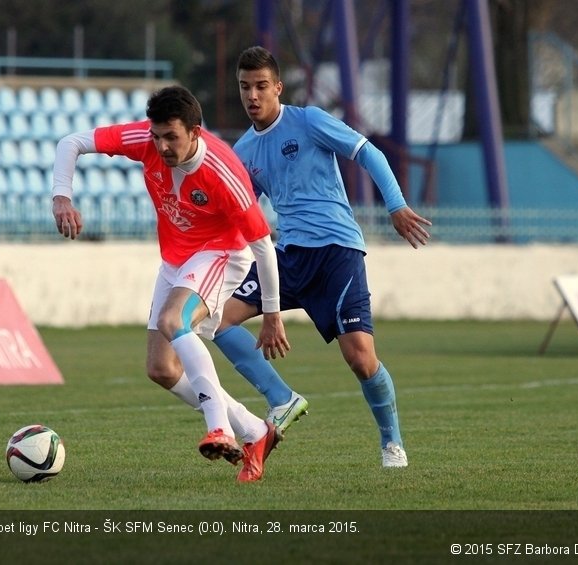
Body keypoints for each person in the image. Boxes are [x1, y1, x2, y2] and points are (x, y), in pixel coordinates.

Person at [51, 85, 290, 482]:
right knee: (161, 368)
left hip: (223, 253)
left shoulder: (223, 171)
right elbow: (71, 142)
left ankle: (220, 428)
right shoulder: (145, 140)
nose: (161, 146)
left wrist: (272, 313)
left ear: (195, 131)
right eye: (156, 136)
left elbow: (264, 247)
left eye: (171, 137)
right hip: (176, 260)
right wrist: (62, 196)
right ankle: (254, 430)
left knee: (172, 319)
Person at [212, 46, 432, 468]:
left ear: (277, 87)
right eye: (244, 87)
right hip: (288, 256)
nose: (252, 96)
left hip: (337, 253)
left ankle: (392, 443)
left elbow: (369, 152)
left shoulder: (308, 121)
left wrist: (396, 205)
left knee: (360, 358)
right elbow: (242, 213)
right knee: (217, 320)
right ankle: (281, 397)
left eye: (261, 86)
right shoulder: (242, 151)